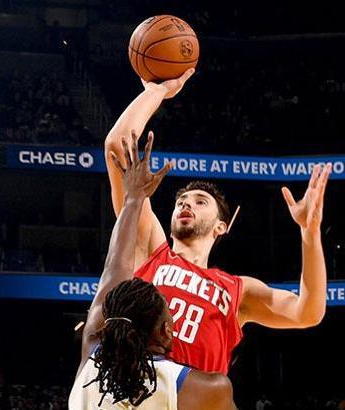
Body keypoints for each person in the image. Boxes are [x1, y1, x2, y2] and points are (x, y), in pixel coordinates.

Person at [104, 69, 330, 374]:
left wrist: (310, 233)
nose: (186, 204)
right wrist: (158, 92)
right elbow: (118, 147)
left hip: (200, 399)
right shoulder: (152, 249)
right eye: (181, 202)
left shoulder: (239, 290)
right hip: (142, 393)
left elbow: (308, 312)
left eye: (200, 202)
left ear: (221, 226)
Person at [70, 132, 236, 409]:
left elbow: (114, 270)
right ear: (167, 332)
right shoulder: (202, 387)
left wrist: (133, 198)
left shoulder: (91, 358)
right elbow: (113, 276)